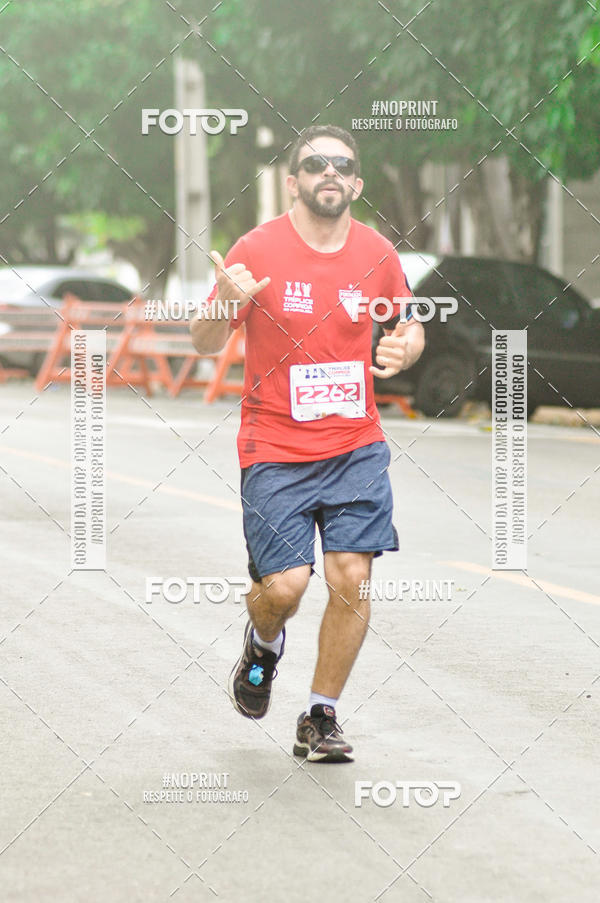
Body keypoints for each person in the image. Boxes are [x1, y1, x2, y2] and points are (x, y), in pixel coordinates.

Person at [190, 124, 424, 762]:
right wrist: (223, 307)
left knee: (352, 576)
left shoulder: (378, 253)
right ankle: (263, 643)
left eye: (341, 165)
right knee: (286, 588)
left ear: (356, 182)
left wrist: (407, 347)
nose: (329, 173)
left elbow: (405, 324)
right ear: (293, 180)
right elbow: (205, 343)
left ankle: (321, 715)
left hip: (355, 444)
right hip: (275, 446)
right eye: (314, 163)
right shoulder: (257, 248)